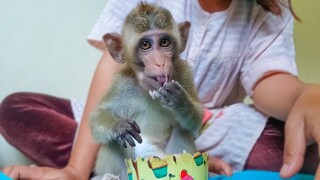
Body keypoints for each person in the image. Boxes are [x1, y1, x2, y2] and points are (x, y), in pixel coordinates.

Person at [1, 0, 320, 179]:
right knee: (16, 109)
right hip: (128, 130)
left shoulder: (266, 11)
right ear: (119, 50)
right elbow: (106, 111)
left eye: (165, 44)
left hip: (200, 130)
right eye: (145, 47)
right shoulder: (126, 62)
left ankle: (183, 162)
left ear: (181, 39)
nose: (157, 61)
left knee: (303, 140)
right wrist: (75, 168)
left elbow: (267, 83)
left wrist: (307, 94)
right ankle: (135, 166)